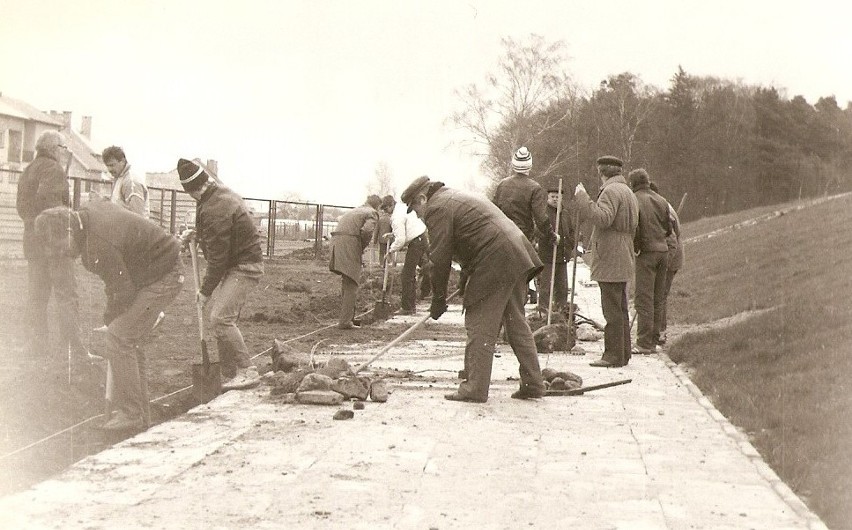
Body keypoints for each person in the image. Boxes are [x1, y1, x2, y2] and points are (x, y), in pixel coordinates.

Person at [34, 202, 184, 431]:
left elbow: (121, 289)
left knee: (120, 337)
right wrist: (112, 317)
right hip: (149, 272)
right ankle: (141, 415)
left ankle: (132, 414)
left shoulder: (96, 245)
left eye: (58, 246)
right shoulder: (87, 219)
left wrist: (111, 320)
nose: (60, 253)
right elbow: (116, 284)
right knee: (128, 339)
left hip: (164, 274)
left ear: (68, 231)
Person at [402, 176, 545, 403]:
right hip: (516, 253)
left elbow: (440, 258)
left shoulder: (437, 208)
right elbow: (473, 237)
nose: (418, 215)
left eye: (415, 209)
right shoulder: (455, 196)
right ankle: (533, 383)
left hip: (496, 259)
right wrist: (466, 277)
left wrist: (438, 298)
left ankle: (475, 388)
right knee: (516, 322)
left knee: (480, 322)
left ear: (421, 198)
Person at [177, 158, 263, 389]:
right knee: (223, 317)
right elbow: (220, 230)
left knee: (220, 317)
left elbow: (217, 259)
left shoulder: (215, 207)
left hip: (244, 266)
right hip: (237, 263)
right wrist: (197, 233)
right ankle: (230, 372)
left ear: (191, 189)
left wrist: (205, 292)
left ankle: (247, 370)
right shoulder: (215, 195)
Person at [15, 130, 87, 360]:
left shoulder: (28, 170)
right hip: (54, 243)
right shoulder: (53, 170)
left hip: (33, 242)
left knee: (37, 295)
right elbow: (51, 205)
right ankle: (74, 349)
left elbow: (22, 208)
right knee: (66, 295)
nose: (65, 153)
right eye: (64, 148)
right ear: (54, 148)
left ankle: (37, 346)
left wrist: (34, 224)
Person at [574, 156, 638, 368]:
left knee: (611, 309)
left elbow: (603, 218)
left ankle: (612, 356)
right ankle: (623, 353)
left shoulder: (610, 191)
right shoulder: (627, 191)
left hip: (611, 253)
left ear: (601, 172)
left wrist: (583, 198)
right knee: (620, 307)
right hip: (623, 251)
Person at [492, 146, 557, 303]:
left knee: (502, 283)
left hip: (500, 237)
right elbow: (541, 219)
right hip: (521, 239)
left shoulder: (502, 185)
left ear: (514, 165)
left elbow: (493, 211)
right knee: (519, 283)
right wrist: (551, 235)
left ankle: (501, 322)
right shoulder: (534, 188)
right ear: (529, 166)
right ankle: (515, 320)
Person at [629, 169, 671, 354]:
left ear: (633, 183)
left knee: (643, 298)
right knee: (658, 298)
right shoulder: (661, 200)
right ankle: (654, 339)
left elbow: (635, 228)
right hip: (663, 251)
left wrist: (637, 247)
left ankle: (644, 343)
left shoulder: (635, 199)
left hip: (646, 253)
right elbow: (669, 229)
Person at [329, 195, 381, 329]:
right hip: (349, 245)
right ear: (378, 206)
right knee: (352, 283)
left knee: (347, 281)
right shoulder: (372, 213)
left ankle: (347, 318)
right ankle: (345, 322)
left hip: (337, 244)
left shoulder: (355, 210)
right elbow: (367, 230)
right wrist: (362, 247)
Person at [649, 181, 683, 346]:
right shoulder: (662, 206)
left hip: (670, 257)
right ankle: (656, 330)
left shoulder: (663, 209)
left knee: (660, 295)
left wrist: (663, 264)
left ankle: (660, 333)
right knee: (659, 295)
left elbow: (672, 240)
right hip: (667, 255)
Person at [537, 181, 577, 315]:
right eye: (552, 197)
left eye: (557, 197)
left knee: (562, 287)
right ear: (548, 198)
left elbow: (571, 232)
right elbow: (539, 231)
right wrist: (551, 239)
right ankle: (543, 312)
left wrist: (570, 245)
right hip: (548, 256)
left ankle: (561, 312)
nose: (555, 199)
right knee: (546, 287)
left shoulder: (565, 214)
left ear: (561, 198)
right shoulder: (543, 214)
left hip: (562, 256)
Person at [388, 185, 429, 315]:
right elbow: (406, 229)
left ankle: (407, 307)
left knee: (407, 275)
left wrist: (390, 250)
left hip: (417, 242)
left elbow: (400, 240)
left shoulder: (396, 217)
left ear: (389, 206)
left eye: (385, 210)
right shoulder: (401, 208)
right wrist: (392, 235)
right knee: (421, 269)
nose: (385, 213)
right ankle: (421, 299)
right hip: (422, 237)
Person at [102, 146, 150, 218]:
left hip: (133, 228)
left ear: (123, 161)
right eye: (107, 166)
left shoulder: (131, 182)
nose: (109, 169)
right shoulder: (119, 177)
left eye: (112, 165)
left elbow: (137, 217)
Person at [375, 195, 395, 263]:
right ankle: (389, 263)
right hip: (389, 239)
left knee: (381, 253)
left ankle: (381, 264)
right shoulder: (390, 219)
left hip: (381, 240)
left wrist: (375, 240)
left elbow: (376, 231)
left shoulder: (380, 220)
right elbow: (393, 230)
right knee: (389, 252)